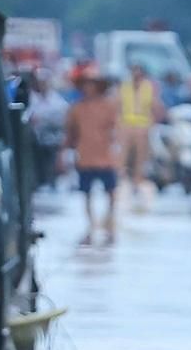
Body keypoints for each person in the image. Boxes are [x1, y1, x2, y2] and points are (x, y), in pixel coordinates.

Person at [65, 68, 121, 244]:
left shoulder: (109, 106)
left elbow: (116, 130)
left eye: (92, 84)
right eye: (85, 84)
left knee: (111, 193)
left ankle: (108, 224)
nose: (88, 88)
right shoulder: (76, 108)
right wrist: (64, 153)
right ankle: (90, 227)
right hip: (85, 157)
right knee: (86, 194)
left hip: (105, 157)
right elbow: (70, 133)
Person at [115, 62, 165, 195]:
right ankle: (121, 181)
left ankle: (138, 181)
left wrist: (152, 123)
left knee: (140, 157)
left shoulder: (150, 87)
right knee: (122, 156)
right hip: (126, 125)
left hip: (143, 126)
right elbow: (117, 105)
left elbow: (156, 106)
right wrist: (118, 125)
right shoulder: (124, 87)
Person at [25, 70, 70, 190]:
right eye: (39, 82)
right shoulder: (31, 98)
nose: (42, 85)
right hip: (34, 140)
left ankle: (52, 183)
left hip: (53, 139)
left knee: (52, 163)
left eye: (44, 82)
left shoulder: (57, 100)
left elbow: (63, 117)